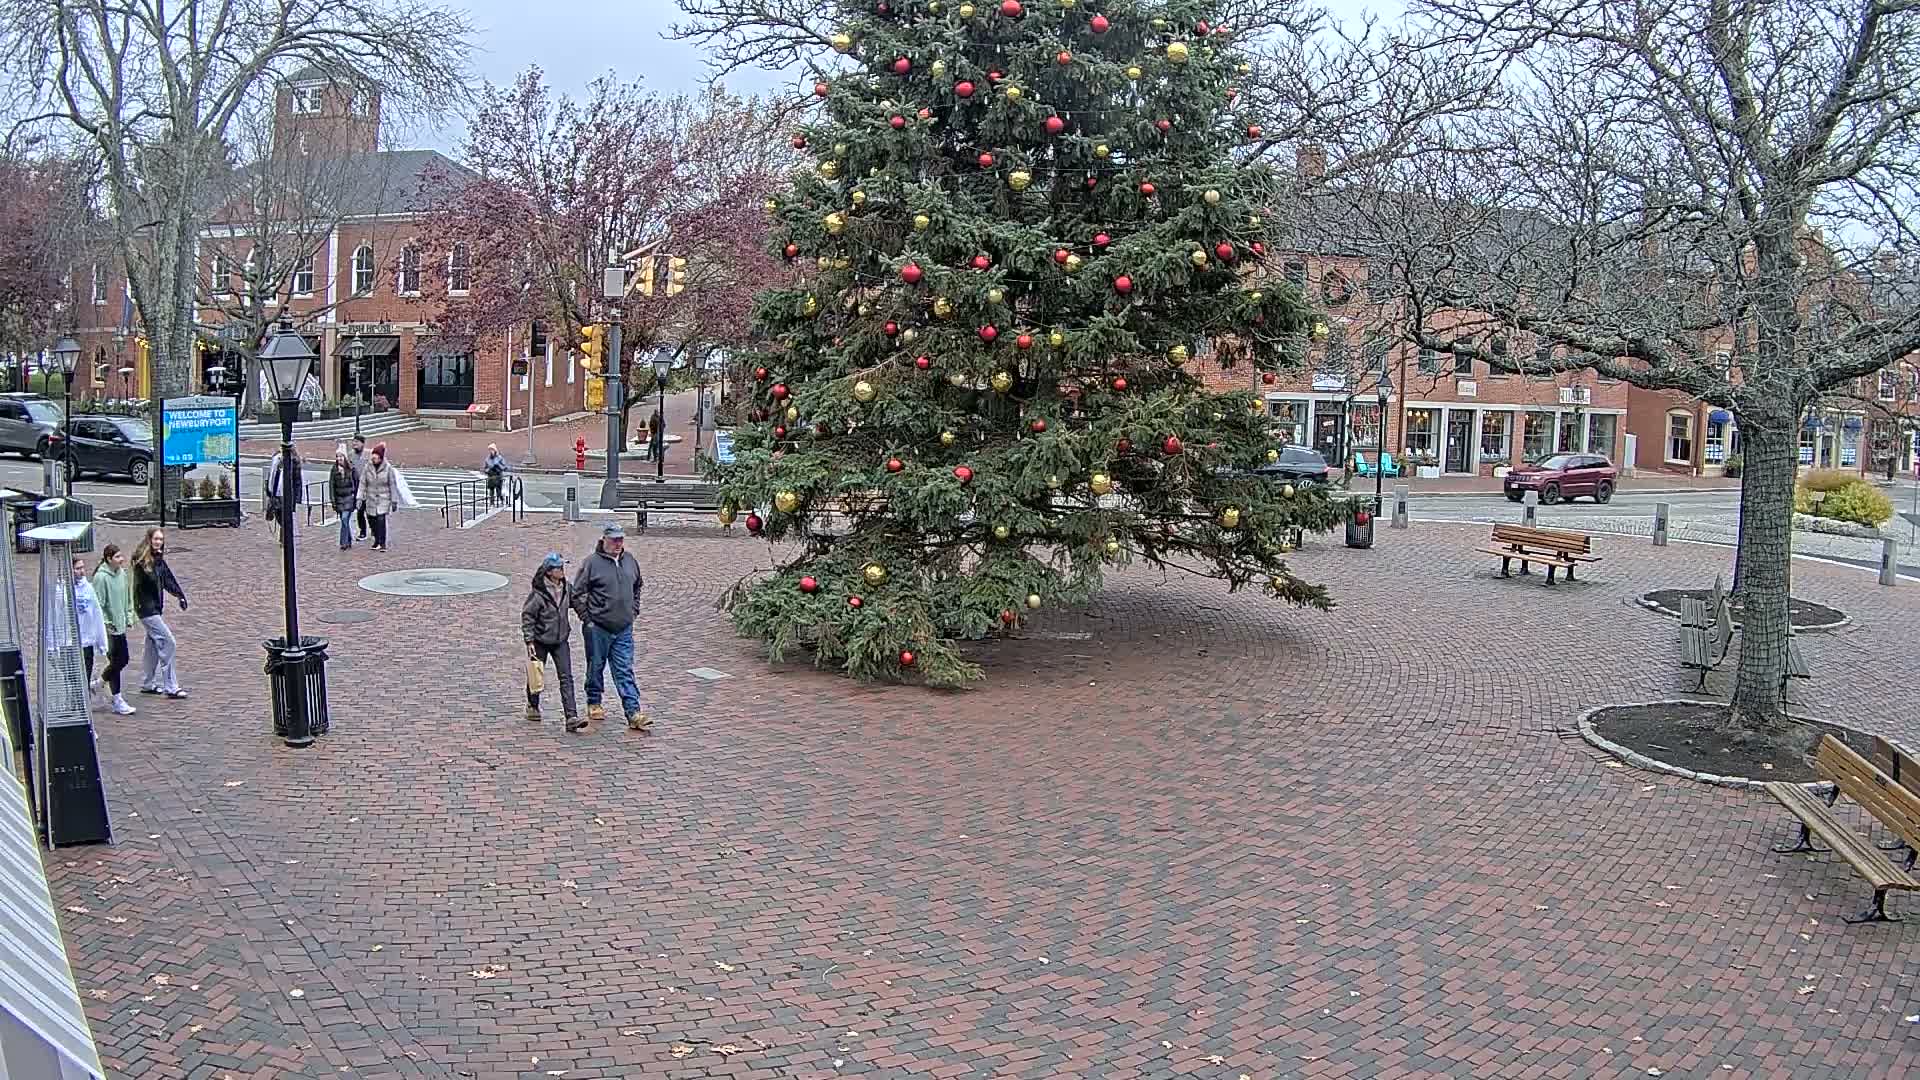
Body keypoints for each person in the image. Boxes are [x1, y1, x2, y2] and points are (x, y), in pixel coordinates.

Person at [571, 522, 647, 730]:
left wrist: (634, 610)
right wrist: (588, 618)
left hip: (623, 627)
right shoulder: (591, 563)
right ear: (604, 539)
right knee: (596, 665)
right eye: (614, 539)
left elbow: (638, 586)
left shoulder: (630, 561)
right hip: (598, 627)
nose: (618, 543)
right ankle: (594, 700)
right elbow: (577, 593)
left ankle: (633, 712)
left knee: (624, 669)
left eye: (621, 539)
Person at [522, 552, 583, 732]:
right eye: (558, 568)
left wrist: (589, 619)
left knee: (566, 677)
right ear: (549, 572)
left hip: (560, 639)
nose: (562, 570)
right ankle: (533, 705)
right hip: (541, 640)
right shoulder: (538, 594)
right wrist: (529, 640)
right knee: (536, 676)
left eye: (562, 567)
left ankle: (571, 716)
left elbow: (578, 603)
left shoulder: (566, 588)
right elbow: (528, 616)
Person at [131, 527, 188, 698]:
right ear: (149, 539)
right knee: (168, 642)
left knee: (152, 646)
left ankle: (147, 683)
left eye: (161, 539)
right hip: (147, 610)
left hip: (154, 608)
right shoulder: (143, 562)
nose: (158, 542)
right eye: (156, 539)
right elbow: (150, 581)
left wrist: (180, 595)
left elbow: (167, 578)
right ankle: (171, 686)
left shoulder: (157, 559)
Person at [91, 543, 136, 715]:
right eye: (117, 557)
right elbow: (98, 605)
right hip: (109, 629)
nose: (121, 559)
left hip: (120, 626)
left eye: (121, 556)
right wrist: (106, 623)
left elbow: (127, 597)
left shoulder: (122, 574)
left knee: (120, 660)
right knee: (118, 660)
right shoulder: (101, 578)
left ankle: (99, 684)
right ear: (109, 559)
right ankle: (116, 699)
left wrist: (129, 616)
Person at [357, 441, 400, 552]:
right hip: (370, 498)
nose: (373, 460)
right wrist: (359, 498)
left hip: (383, 498)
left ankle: (382, 542)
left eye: (376, 458)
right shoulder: (368, 467)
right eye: (373, 458)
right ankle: (376, 539)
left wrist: (394, 500)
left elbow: (392, 485)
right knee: (372, 520)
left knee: (381, 519)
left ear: (380, 458)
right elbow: (363, 483)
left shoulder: (388, 468)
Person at [329, 444, 357, 549]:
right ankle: (348, 540)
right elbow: (331, 485)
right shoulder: (334, 470)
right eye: (337, 456)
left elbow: (356, 482)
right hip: (339, 499)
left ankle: (343, 543)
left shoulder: (351, 468)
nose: (339, 458)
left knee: (345, 519)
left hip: (349, 497)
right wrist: (333, 501)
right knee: (344, 521)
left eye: (341, 456)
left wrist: (357, 498)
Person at [349, 434, 368, 540]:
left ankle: (375, 530)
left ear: (363, 444)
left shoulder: (369, 455)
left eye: (357, 442)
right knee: (360, 511)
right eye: (354, 441)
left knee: (371, 512)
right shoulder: (350, 455)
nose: (354, 444)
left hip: (369, 488)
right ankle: (363, 532)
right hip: (356, 487)